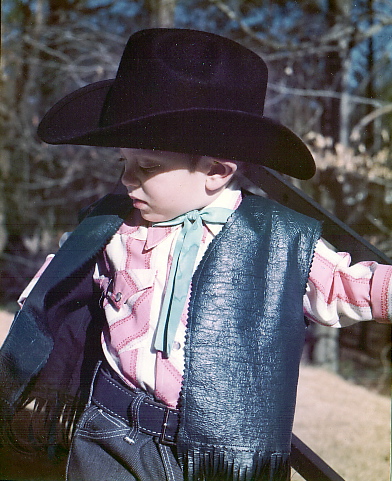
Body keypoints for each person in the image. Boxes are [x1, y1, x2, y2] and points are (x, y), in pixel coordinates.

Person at [0, 28, 391, 481]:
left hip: (214, 455)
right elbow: (58, 287)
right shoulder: (115, 228)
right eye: (123, 163)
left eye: (146, 166)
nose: (128, 179)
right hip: (107, 431)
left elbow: (345, 284)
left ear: (217, 172)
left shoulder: (277, 241)